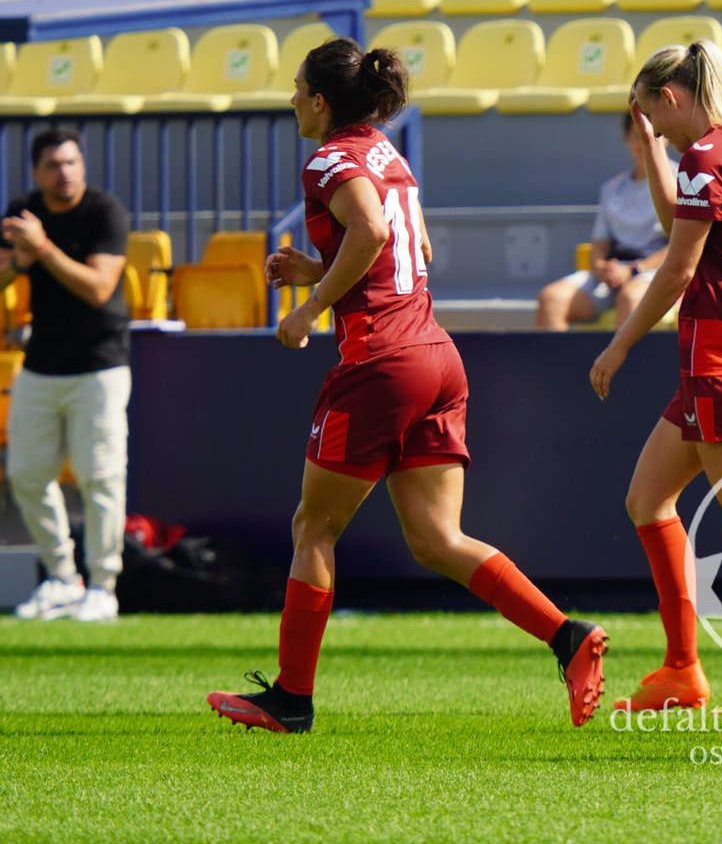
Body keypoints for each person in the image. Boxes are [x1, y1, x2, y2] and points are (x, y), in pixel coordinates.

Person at [206, 38, 606, 734]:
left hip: (380, 361)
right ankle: (567, 635)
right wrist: (317, 268)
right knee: (436, 539)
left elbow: (369, 230)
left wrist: (310, 306)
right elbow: (411, 250)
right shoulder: (389, 155)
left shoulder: (329, 158)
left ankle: (292, 699)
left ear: (321, 101)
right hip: (435, 355)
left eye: (298, 87)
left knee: (313, 527)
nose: (292, 98)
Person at [589, 40, 722, 716]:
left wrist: (619, 344)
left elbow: (678, 269)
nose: (655, 129)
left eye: (653, 115)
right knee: (648, 500)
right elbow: (680, 224)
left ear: (672, 97)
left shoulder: (709, 158)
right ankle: (683, 669)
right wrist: (653, 148)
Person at [2, 127, 130, 624]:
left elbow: (98, 288)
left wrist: (44, 249)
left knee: (101, 477)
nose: (65, 173)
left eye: (72, 162)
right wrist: (19, 261)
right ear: (36, 172)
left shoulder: (104, 211)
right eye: (54, 165)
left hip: (100, 364)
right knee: (26, 475)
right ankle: (61, 578)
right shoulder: (24, 210)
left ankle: (102, 586)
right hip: (41, 364)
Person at [536, 114, 671, 331]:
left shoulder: (682, 181)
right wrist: (602, 269)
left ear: (666, 137)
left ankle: (620, 356)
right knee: (551, 299)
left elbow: (682, 246)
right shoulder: (612, 189)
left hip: (657, 273)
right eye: (638, 136)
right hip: (613, 274)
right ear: (626, 139)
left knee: (630, 298)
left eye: (654, 135)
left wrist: (634, 270)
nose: (645, 142)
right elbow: (600, 244)